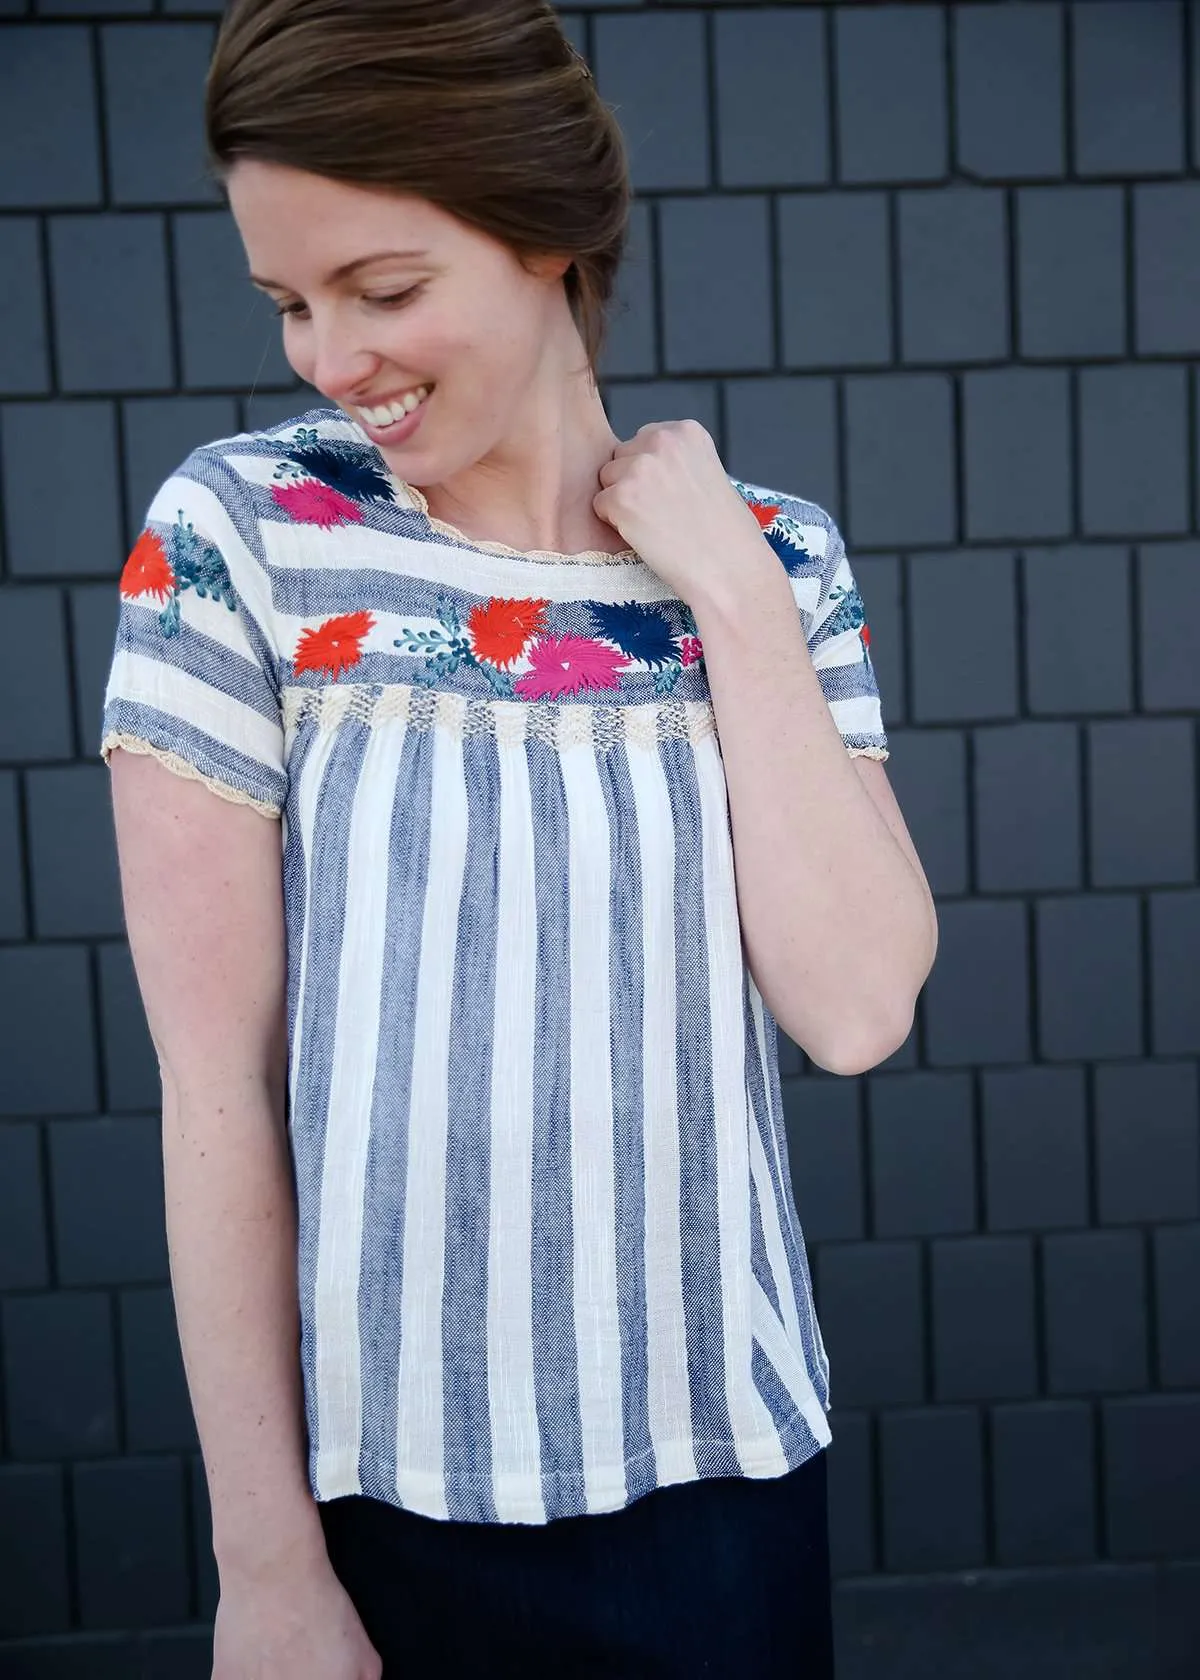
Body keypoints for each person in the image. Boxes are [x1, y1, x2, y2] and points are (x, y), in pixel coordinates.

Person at [100, 1, 938, 1674]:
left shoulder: (777, 558)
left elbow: (854, 1008)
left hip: (721, 1497)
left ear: (548, 235)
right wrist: (267, 1565)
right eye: (290, 302)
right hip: (383, 1516)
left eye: (384, 291)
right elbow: (216, 1090)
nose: (329, 362)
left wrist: (737, 604)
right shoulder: (241, 539)